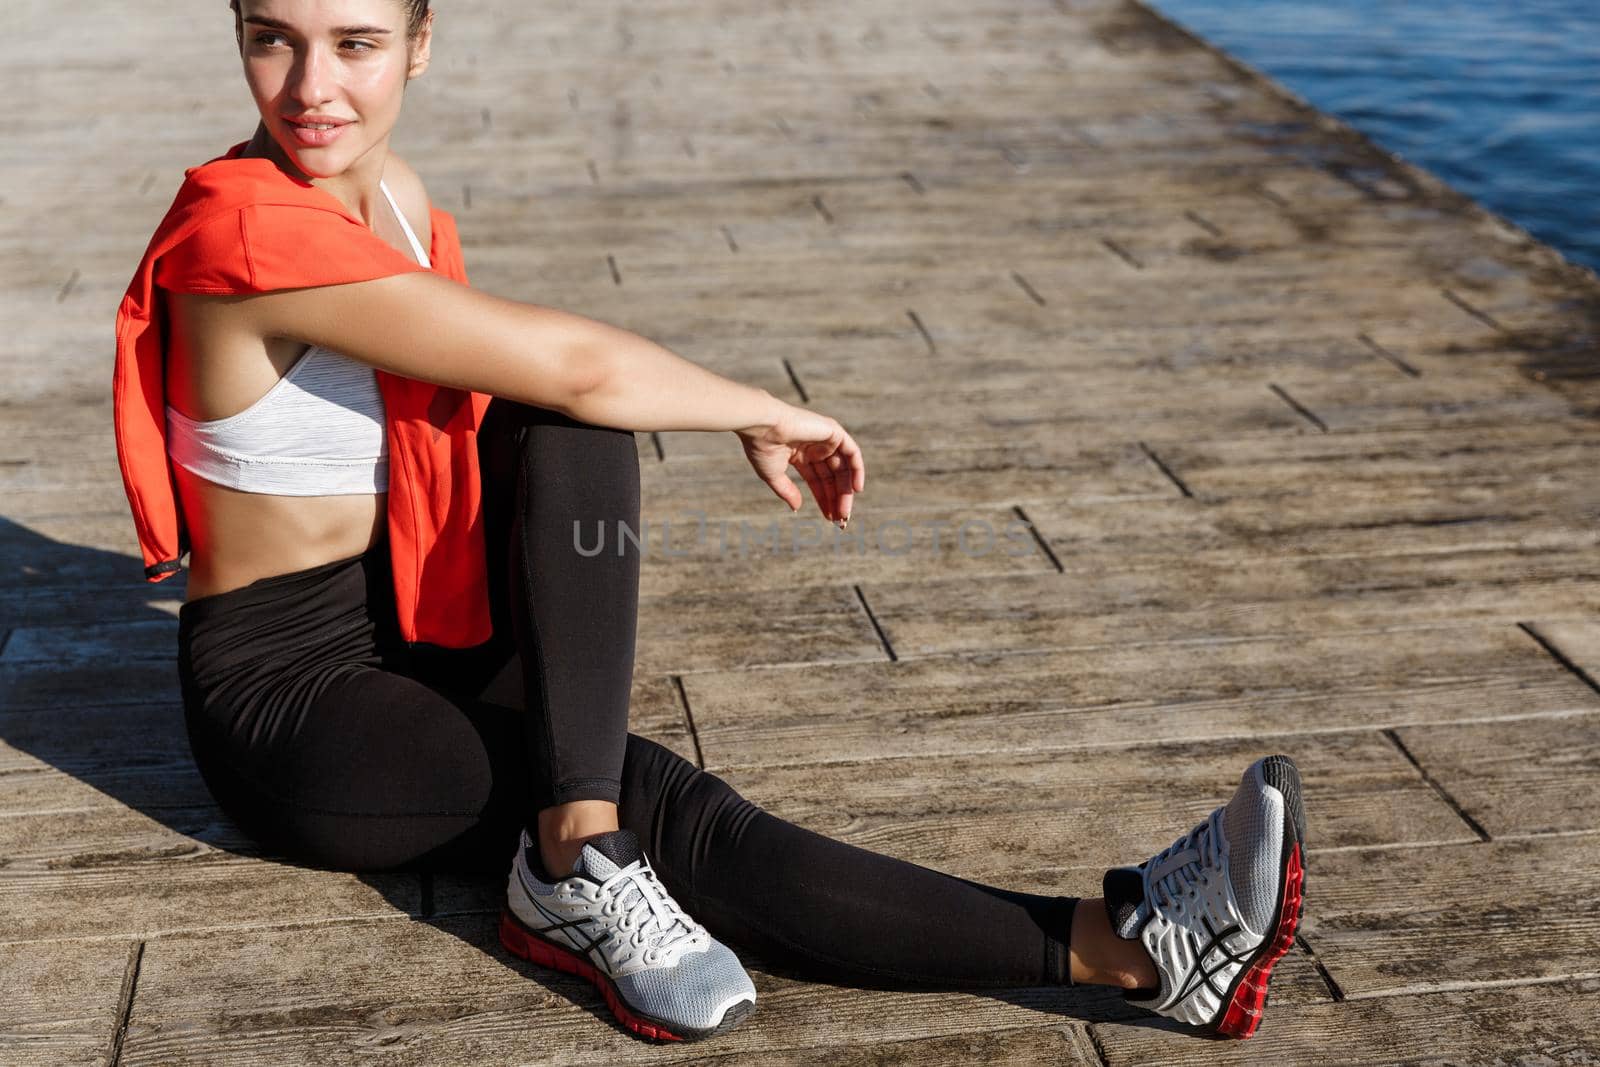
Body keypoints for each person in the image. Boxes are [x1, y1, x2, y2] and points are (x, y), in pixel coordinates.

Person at [111, 0, 1308, 1045]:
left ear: (421, 47)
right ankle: (1132, 948)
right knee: (668, 804)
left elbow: (533, 406)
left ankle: (575, 845)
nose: (312, 88)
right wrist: (763, 410)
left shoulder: (397, 199)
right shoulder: (244, 229)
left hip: (426, 616)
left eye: (356, 44)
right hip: (296, 704)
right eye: (271, 41)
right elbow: (579, 362)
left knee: (570, 432)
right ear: (239, 38)